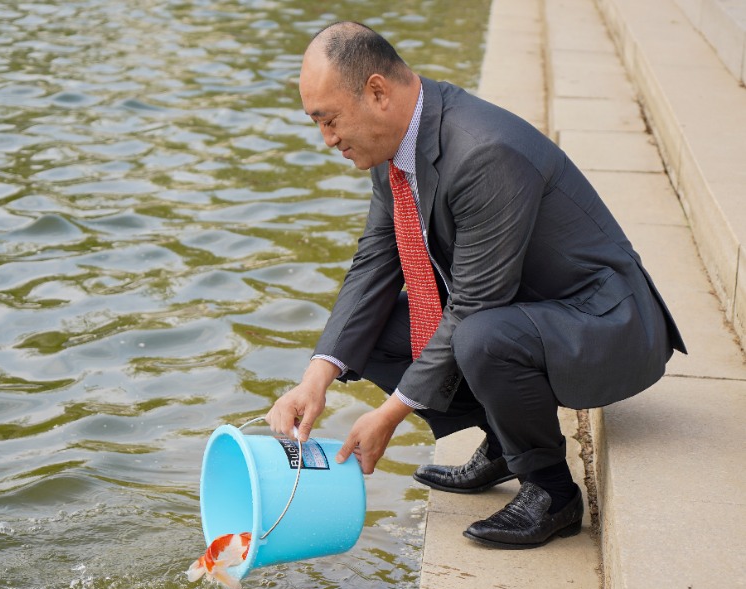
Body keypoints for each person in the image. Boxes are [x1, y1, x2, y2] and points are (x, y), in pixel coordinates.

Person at [265, 21, 685, 549]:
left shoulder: (485, 151)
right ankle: (506, 443)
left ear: (377, 92)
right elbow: (372, 266)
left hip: (604, 322)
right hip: (527, 308)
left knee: (481, 336)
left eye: (329, 121)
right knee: (371, 333)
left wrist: (390, 414)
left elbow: (475, 305)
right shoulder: (390, 146)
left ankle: (551, 491)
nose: (327, 140)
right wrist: (315, 379)